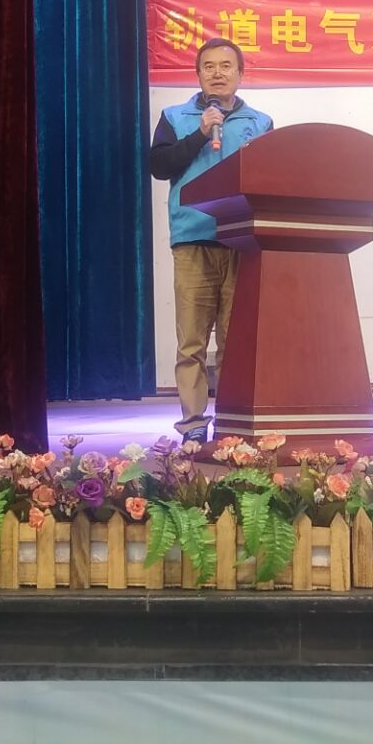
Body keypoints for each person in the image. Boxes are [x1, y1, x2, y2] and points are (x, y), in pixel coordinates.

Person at [148, 38, 273, 441]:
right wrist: (201, 134)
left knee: (237, 340)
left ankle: (234, 423)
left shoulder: (261, 123)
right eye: (209, 66)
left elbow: (271, 175)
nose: (218, 73)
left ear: (240, 73)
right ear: (198, 74)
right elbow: (159, 166)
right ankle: (193, 425)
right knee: (192, 341)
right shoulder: (175, 117)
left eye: (226, 66)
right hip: (193, 240)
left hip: (243, 242)